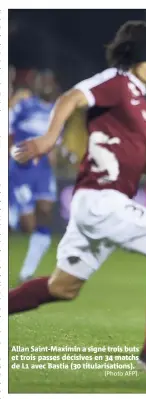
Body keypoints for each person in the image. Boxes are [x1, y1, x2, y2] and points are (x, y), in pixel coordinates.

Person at [9, 21, 146, 375]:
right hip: (101, 199)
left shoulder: (137, 100)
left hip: (100, 204)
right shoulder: (117, 81)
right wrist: (49, 139)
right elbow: (71, 98)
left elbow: (143, 160)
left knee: (62, 287)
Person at [9, 70, 59, 282]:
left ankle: (27, 272)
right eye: (43, 81)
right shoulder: (25, 105)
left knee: (45, 212)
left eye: (50, 81)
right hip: (21, 169)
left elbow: (55, 143)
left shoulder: (57, 112)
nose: (47, 85)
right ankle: (12, 217)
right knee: (27, 224)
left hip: (43, 169)